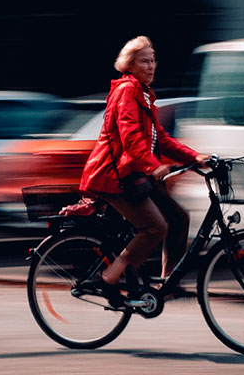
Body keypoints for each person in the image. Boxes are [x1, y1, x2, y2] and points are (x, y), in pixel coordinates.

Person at [71, 36, 208, 293]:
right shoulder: (126, 91)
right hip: (114, 176)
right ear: (129, 66)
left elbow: (162, 139)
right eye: (144, 61)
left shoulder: (144, 95)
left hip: (134, 174)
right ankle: (108, 277)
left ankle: (169, 283)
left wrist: (194, 157)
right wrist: (153, 166)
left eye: (153, 60)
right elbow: (129, 134)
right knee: (155, 227)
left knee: (179, 218)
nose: (151, 66)